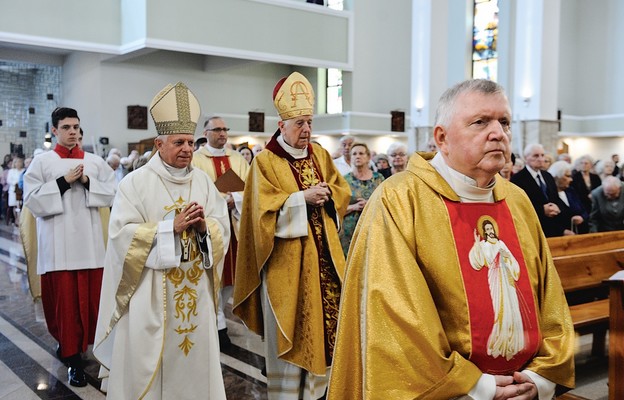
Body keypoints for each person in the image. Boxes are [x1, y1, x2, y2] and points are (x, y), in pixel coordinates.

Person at [327, 79, 574, 399]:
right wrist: (476, 386)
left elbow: (550, 299)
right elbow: (392, 318)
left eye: (505, 122)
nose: (498, 132)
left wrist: (539, 379)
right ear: (442, 138)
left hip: (523, 384)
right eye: (481, 122)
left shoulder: (517, 200)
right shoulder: (400, 199)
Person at [93, 82, 230, 399]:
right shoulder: (135, 184)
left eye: (190, 142)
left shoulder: (204, 182)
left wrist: (203, 229)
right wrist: (170, 228)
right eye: (178, 142)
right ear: (158, 143)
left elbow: (221, 226)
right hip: (152, 294)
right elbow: (120, 236)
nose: (187, 149)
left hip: (195, 293)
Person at [233, 71, 351, 400]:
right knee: (293, 332)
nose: (307, 130)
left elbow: (342, 193)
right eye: (299, 123)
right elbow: (259, 215)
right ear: (281, 125)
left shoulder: (321, 156)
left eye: (310, 122)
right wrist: (302, 199)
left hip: (325, 266)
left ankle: (319, 393)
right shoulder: (265, 163)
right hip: (287, 269)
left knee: (327, 333)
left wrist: (329, 197)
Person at [23, 107, 116, 387]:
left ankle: (83, 349)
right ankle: (72, 359)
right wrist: (64, 182)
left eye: (76, 126)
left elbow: (113, 192)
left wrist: (86, 181)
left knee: (90, 305)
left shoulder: (95, 162)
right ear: (54, 131)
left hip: (89, 246)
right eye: (66, 127)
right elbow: (32, 200)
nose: (72, 131)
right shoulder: (42, 163)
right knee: (65, 308)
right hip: (58, 247)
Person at [192, 115, 250, 348]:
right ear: (205, 133)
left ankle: (218, 316)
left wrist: (234, 199)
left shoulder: (237, 158)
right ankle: (215, 322)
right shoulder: (195, 160)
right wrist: (218, 202)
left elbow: (253, 189)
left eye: (225, 129)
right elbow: (192, 190)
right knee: (212, 274)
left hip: (235, 226)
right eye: (217, 129)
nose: (223, 133)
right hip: (210, 225)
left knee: (231, 277)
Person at [339, 143, 384, 256]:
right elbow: (337, 208)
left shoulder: (379, 179)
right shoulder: (344, 180)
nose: (357, 156)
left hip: (373, 230)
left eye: (361, 153)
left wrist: (369, 204)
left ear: (368, 157)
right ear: (350, 158)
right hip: (349, 233)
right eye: (354, 154)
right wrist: (354, 207)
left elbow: (386, 204)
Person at [510, 143, 563, 237]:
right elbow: (518, 206)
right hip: (532, 228)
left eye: (542, 155)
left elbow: (555, 198)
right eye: (536, 156)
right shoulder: (517, 179)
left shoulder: (548, 176)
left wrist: (556, 206)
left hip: (552, 227)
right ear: (526, 158)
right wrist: (542, 210)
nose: (540, 159)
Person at [548, 160, 588, 235]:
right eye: (567, 176)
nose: (571, 179)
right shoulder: (548, 195)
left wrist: (582, 217)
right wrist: (562, 231)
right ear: (556, 177)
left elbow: (583, 210)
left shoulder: (571, 191)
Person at [6, 156, 25, 225]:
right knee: (14, 205)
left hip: (21, 190)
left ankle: (20, 219)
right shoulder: (11, 171)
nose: (18, 164)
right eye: (17, 162)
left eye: (20, 162)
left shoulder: (23, 170)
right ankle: (16, 218)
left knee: (20, 205)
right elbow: (8, 180)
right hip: (13, 190)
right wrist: (15, 183)